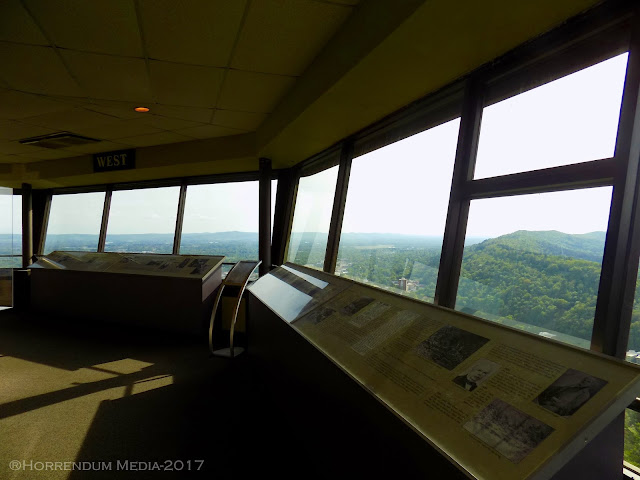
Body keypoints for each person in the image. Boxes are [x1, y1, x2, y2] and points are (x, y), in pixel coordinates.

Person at [535, 375, 601, 416]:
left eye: (588, 381)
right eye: (584, 380)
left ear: (591, 385)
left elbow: (570, 407)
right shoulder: (573, 386)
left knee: (539, 410)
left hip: (558, 408)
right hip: (549, 401)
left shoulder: (585, 394)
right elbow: (559, 390)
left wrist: (556, 403)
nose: (584, 381)